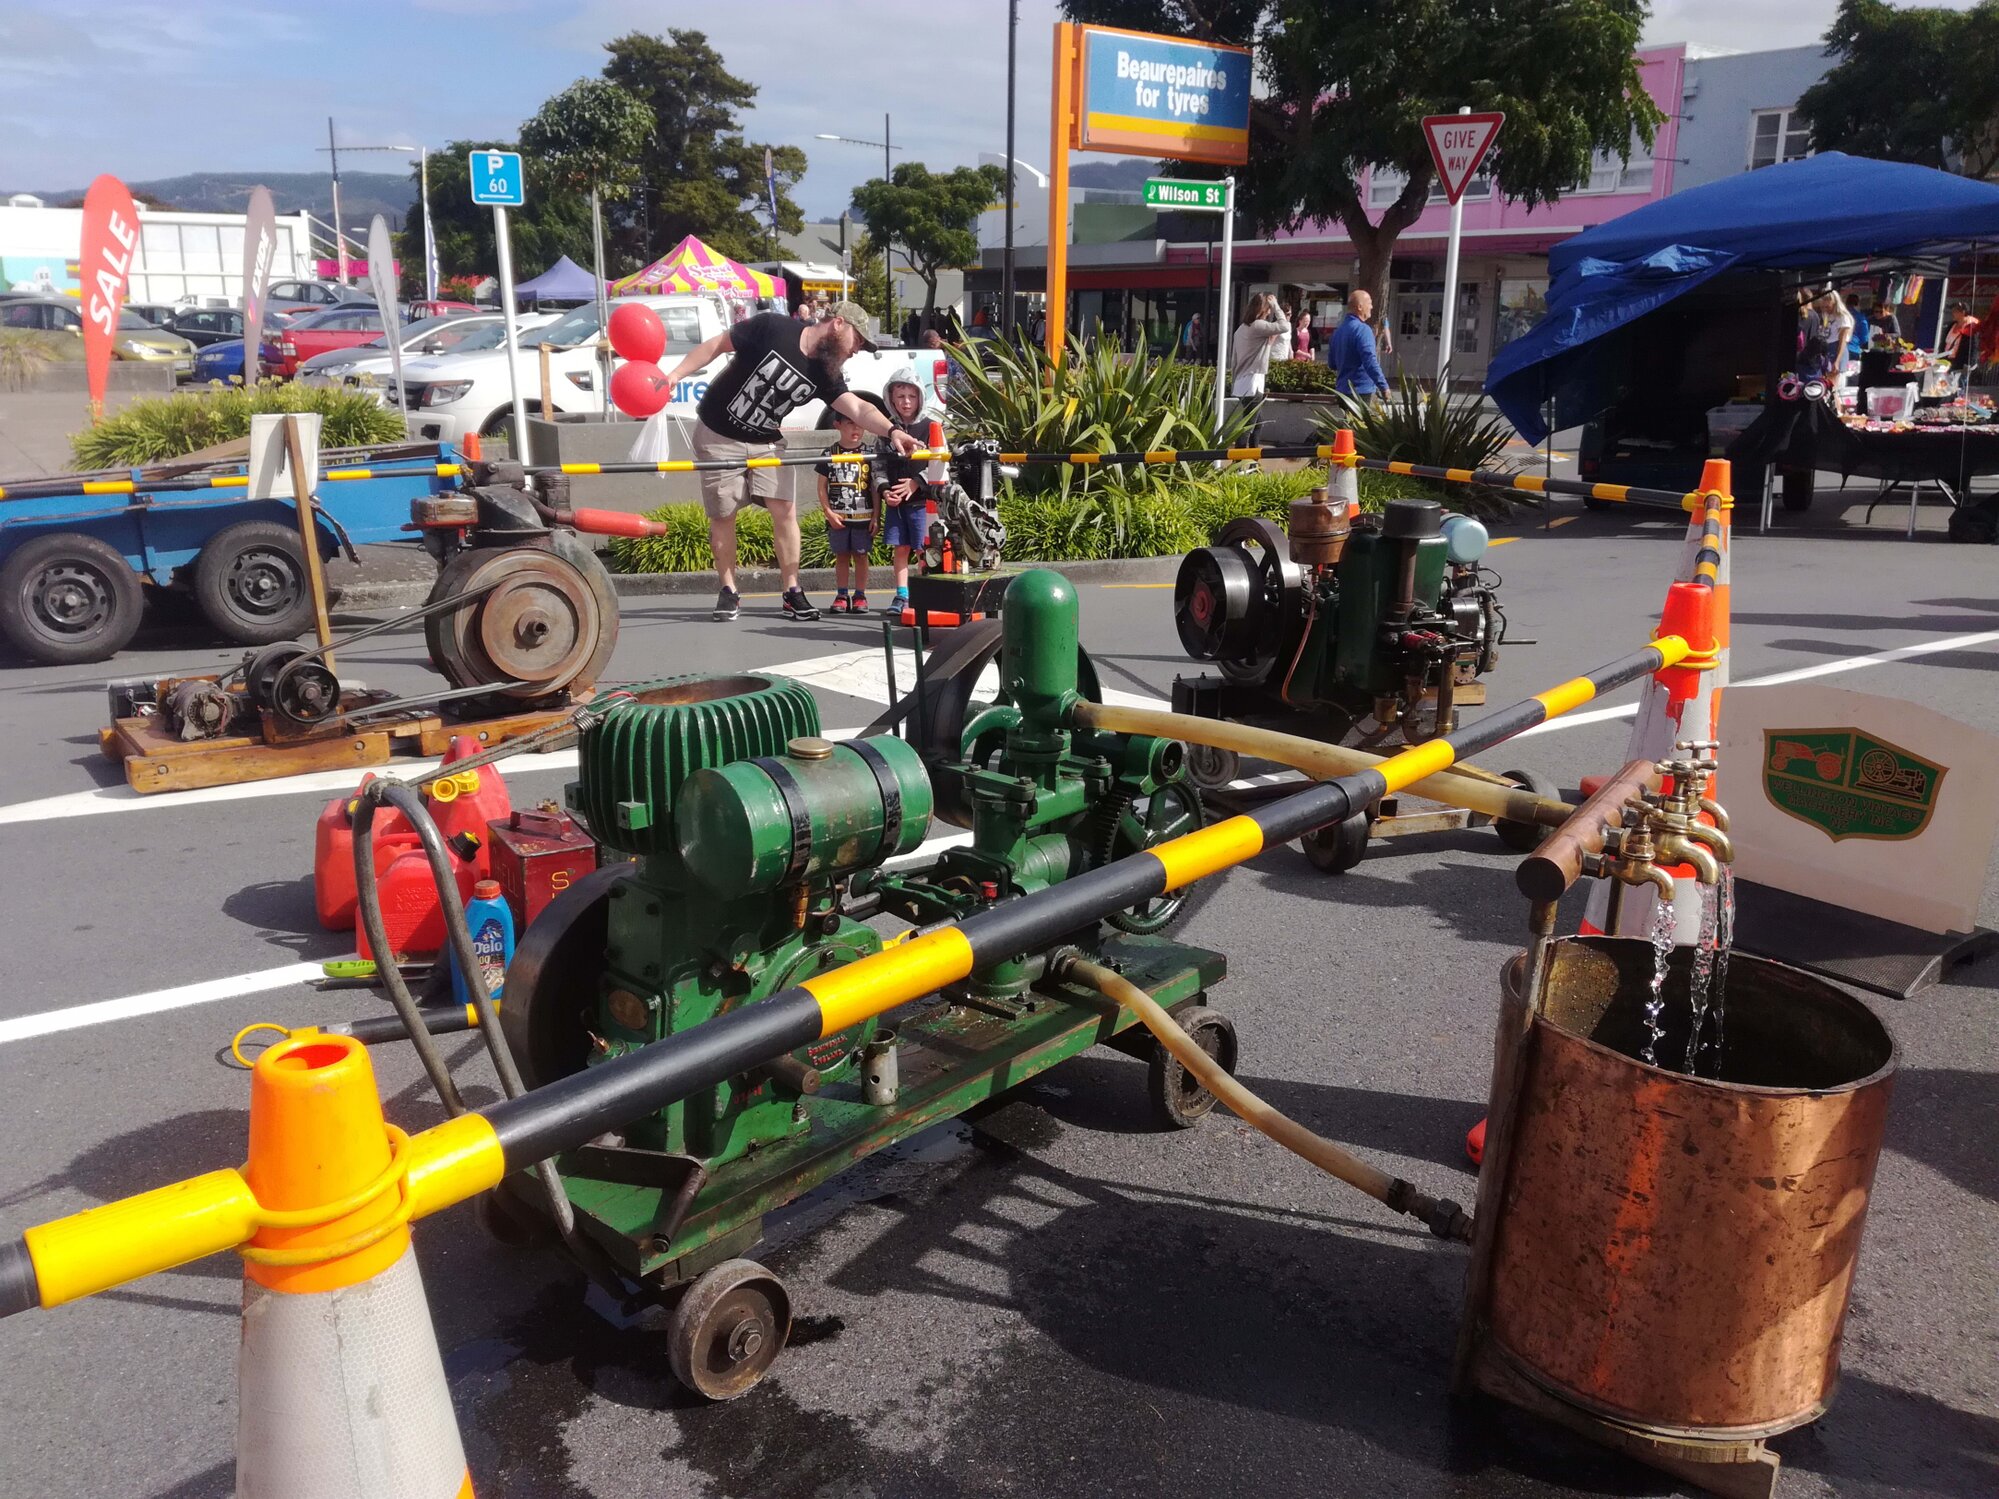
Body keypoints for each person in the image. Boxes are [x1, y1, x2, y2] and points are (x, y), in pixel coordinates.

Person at [655, 299, 918, 623]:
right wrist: (676, 374)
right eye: (857, 341)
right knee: (723, 513)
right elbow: (716, 345)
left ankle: (792, 591)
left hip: (766, 440)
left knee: (785, 509)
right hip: (718, 434)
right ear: (838, 324)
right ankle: (728, 590)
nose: (856, 350)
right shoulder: (772, 328)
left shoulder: (825, 372)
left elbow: (859, 409)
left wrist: (893, 431)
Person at [874, 368, 932, 613]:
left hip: (921, 503)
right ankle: (901, 595)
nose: (906, 402)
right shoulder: (885, 432)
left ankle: (924, 592)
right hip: (896, 503)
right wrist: (886, 490)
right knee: (900, 548)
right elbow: (877, 466)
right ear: (891, 398)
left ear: (920, 397)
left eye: (911, 396)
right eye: (900, 396)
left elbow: (940, 464)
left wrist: (916, 482)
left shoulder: (931, 427)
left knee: (923, 549)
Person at [815, 407, 878, 613]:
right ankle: (842, 594)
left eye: (859, 424)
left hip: (863, 515)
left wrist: (876, 515)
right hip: (838, 517)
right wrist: (828, 512)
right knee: (841, 555)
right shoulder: (829, 453)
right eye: (850, 423)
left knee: (861, 555)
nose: (856, 428)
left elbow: (875, 488)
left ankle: (860, 595)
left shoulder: (870, 453)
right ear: (837, 425)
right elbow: (821, 486)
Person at [1229, 293, 1291, 438]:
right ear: (1262, 309)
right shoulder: (1258, 325)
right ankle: (1242, 457)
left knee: (1257, 423)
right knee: (1250, 425)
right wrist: (1276, 305)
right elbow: (1284, 326)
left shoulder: (1241, 329)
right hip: (1253, 381)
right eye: (1268, 309)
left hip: (1241, 382)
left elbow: (1234, 359)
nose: (1270, 312)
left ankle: (1252, 458)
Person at [1327, 290, 1389, 398]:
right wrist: (1384, 386)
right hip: (1361, 392)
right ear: (1360, 307)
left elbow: (1332, 364)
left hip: (1342, 391)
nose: (1372, 307)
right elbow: (1370, 360)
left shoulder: (1338, 331)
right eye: (1369, 303)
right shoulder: (1363, 330)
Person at [1941, 301, 1981, 377]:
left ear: (1963, 312)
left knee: (1957, 386)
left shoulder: (1971, 328)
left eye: (1955, 311)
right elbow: (1944, 343)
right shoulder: (1951, 325)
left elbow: (1974, 347)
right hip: (1946, 362)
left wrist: (1969, 364)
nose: (1952, 313)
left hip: (1960, 365)